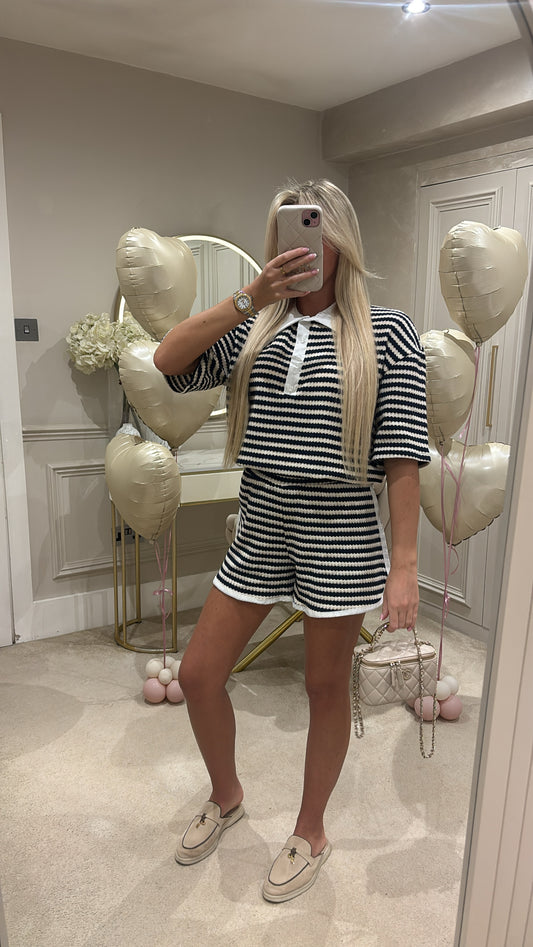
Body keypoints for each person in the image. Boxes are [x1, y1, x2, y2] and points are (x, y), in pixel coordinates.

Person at [153, 179, 431, 903]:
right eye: (286, 232)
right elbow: (168, 361)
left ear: (340, 240)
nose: (300, 247)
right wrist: (251, 295)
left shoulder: (388, 332)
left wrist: (404, 564)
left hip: (340, 528)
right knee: (199, 674)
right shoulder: (255, 326)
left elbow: (403, 454)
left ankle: (311, 829)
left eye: (312, 231)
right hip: (262, 521)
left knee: (323, 686)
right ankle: (227, 795)